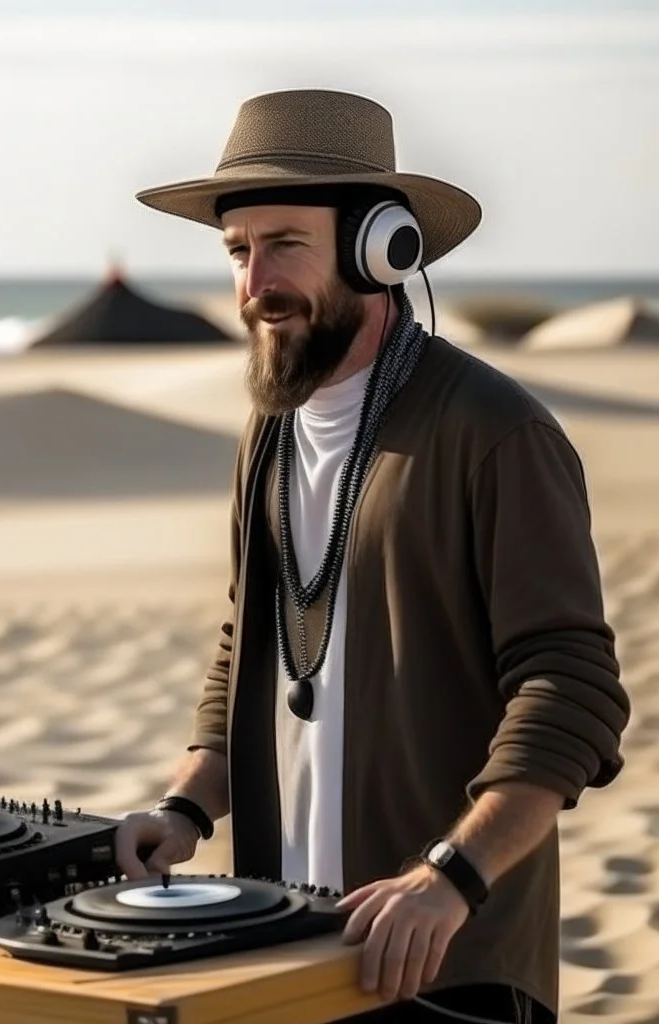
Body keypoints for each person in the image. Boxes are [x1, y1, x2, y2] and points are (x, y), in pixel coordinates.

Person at [114, 89, 630, 1023]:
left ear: (381, 249)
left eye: (284, 244)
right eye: (238, 251)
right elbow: (248, 649)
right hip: (287, 950)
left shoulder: (495, 432)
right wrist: (184, 809)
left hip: (447, 966)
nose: (252, 283)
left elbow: (570, 688)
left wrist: (451, 875)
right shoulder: (267, 435)